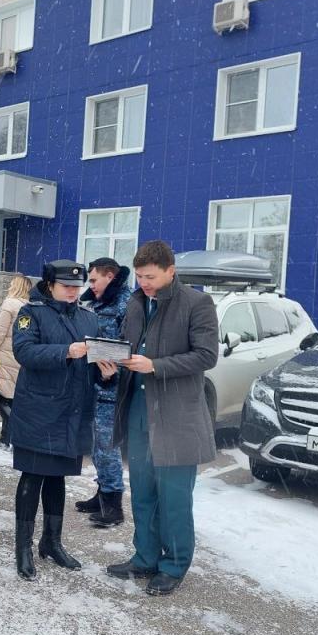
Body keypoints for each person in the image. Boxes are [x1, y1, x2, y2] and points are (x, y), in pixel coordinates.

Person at [103, 241, 219, 596]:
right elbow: (127, 345)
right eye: (139, 276)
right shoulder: (136, 302)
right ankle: (145, 558)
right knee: (143, 494)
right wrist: (111, 363)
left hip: (177, 417)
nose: (144, 283)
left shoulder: (197, 303)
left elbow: (206, 356)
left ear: (171, 271)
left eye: (150, 277)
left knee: (174, 499)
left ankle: (174, 565)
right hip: (138, 412)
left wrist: (155, 365)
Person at [7, 260, 116, 580]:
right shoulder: (31, 313)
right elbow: (25, 352)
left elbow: (95, 364)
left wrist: (107, 374)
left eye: (77, 287)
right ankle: (23, 548)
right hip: (39, 411)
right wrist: (66, 351)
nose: (73, 292)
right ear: (50, 285)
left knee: (57, 478)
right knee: (32, 477)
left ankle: (52, 542)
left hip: (72, 413)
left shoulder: (88, 318)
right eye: (66, 286)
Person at [75, 257, 132, 527]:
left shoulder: (126, 304)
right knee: (97, 446)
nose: (91, 285)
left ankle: (113, 505)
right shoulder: (97, 302)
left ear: (110, 276)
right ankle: (102, 493)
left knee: (108, 446)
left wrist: (111, 370)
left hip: (113, 387)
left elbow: (131, 347)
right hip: (95, 383)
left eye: (94, 280)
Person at [0, 274, 33, 449]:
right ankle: (6, 439)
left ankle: (14, 434)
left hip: (3, 357)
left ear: (15, 286)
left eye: (11, 284)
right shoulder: (28, 307)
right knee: (11, 399)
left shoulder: (9, 304)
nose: (9, 286)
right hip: (19, 357)